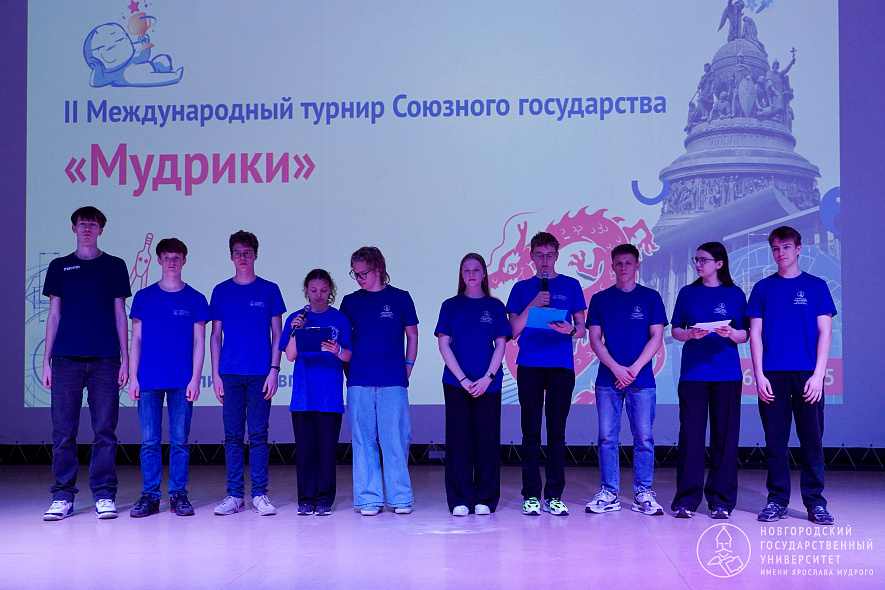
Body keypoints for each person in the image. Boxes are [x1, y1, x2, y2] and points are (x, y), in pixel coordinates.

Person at [42, 206, 131, 520]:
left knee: (104, 431)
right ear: (74, 229)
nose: (88, 229)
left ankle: (104, 495)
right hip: (65, 360)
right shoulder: (59, 266)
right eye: (82, 224)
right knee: (63, 432)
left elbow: (120, 315)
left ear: (101, 230)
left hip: (105, 360)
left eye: (93, 224)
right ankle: (62, 496)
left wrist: (125, 359)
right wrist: (46, 361)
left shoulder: (115, 265)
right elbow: (54, 316)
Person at [747, 226, 836, 525]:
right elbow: (755, 334)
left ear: (798, 249)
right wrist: (758, 375)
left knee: (812, 440)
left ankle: (815, 502)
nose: (780, 253)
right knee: (775, 441)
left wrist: (819, 375)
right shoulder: (762, 288)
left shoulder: (816, 286)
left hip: (808, 374)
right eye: (775, 248)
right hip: (772, 374)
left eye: (786, 247)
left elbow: (825, 333)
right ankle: (777, 500)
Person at [127, 238, 210, 517]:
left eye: (176, 257)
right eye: (166, 257)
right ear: (158, 260)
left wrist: (195, 378)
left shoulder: (196, 299)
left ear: (184, 261)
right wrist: (133, 377)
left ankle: (178, 495)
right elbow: (136, 339)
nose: (172, 262)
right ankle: (150, 496)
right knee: (149, 442)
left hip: (181, 380)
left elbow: (200, 341)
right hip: (148, 379)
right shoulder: (143, 297)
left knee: (180, 442)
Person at [506, 232, 586, 516]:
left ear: (557, 256)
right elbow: (513, 330)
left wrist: (571, 330)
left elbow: (582, 328)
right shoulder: (521, 288)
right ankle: (531, 495)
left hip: (561, 365)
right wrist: (533, 304)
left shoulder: (571, 285)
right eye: (539, 255)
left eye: (549, 255)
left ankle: (554, 495)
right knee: (530, 431)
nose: (544, 260)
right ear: (531, 256)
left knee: (556, 431)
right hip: (529, 364)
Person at [585, 243, 667, 516]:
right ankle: (609, 493)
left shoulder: (651, 297)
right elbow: (595, 339)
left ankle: (643, 493)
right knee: (607, 437)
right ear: (612, 266)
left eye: (628, 263)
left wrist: (632, 369)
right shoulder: (600, 299)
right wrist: (616, 369)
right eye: (618, 263)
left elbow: (657, 337)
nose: (623, 267)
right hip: (608, 379)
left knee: (643, 437)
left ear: (637, 265)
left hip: (641, 379)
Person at [670, 242, 748, 519]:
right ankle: (686, 500)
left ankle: (721, 501)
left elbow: (745, 334)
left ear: (719, 263)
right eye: (696, 259)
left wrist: (731, 333)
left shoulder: (735, 294)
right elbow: (676, 329)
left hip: (726, 373)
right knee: (691, 436)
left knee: (724, 438)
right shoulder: (687, 293)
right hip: (694, 374)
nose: (698, 264)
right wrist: (690, 334)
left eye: (704, 260)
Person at [210, 231, 286, 516]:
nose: (242, 257)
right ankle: (234, 495)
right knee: (232, 436)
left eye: (247, 252)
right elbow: (215, 336)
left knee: (258, 435)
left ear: (255, 255)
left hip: (260, 373)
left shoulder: (269, 289)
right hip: (230, 373)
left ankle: (259, 494)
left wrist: (274, 370)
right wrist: (216, 374)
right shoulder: (221, 291)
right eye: (237, 253)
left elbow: (278, 334)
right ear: (231, 257)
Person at [340, 246, 418, 516]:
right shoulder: (350, 302)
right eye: (355, 273)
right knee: (363, 441)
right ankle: (368, 499)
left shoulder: (400, 298)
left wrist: (409, 366)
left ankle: (400, 497)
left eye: (363, 273)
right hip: (359, 379)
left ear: (379, 269)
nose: (359, 278)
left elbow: (413, 335)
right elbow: (344, 341)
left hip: (393, 379)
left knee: (395, 439)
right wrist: (349, 372)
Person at [435, 253, 512, 516]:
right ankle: (459, 498)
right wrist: (463, 379)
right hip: (456, 384)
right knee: (458, 441)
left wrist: (487, 377)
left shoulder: (495, 306)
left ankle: (485, 498)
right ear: (461, 274)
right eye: (466, 269)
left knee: (487, 442)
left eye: (476, 269)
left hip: (488, 384)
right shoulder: (450, 306)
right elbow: (444, 344)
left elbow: (500, 344)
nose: (471, 274)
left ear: (484, 274)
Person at [280, 269, 352, 516]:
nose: (318, 295)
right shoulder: (296, 318)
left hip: (329, 395)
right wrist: (295, 330)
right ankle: (306, 499)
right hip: (303, 396)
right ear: (306, 291)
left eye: (323, 290)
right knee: (305, 451)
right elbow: (290, 355)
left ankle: (324, 499)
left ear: (330, 290)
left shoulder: (340, 319)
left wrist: (336, 349)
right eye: (313, 290)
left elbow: (348, 355)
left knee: (327, 451)